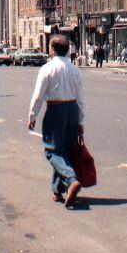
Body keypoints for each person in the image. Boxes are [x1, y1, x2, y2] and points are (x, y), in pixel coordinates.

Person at [28, 34, 85, 208]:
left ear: (52, 49)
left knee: (52, 151)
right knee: (65, 151)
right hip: (73, 110)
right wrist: (80, 121)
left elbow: (38, 95)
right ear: (68, 50)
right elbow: (80, 98)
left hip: (56, 110)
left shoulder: (47, 68)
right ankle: (57, 191)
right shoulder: (75, 70)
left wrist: (32, 116)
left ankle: (71, 180)